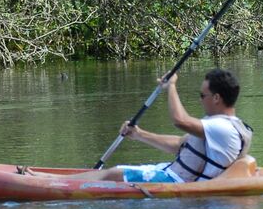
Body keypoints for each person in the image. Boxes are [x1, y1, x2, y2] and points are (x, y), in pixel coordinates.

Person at [76, 68, 253, 183]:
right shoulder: (215, 125)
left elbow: (180, 120)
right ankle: (58, 180)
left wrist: (172, 86)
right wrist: (138, 134)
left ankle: (55, 183)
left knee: (114, 174)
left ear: (216, 98)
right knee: (115, 171)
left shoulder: (223, 128)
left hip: (178, 181)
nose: (200, 100)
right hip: (170, 172)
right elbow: (179, 145)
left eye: (202, 95)